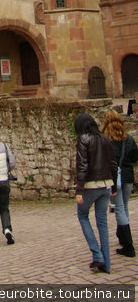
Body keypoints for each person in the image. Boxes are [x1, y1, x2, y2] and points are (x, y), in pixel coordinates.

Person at [74, 112, 117, 274]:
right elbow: (113, 163)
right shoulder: (104, 138)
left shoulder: (83, 139)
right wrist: (114, 187)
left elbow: (82, 166)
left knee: (83, 216)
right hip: (106, 185)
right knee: (102, 224)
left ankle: (97, 254)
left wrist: (79, 190)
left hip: (90, 186)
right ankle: (107, 262)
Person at [101, 109, 138, 258]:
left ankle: (128, 245)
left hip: (115, 179)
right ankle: (122, 235)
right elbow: (135, 157)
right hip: (128, 177)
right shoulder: (128, 138)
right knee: (124, 207)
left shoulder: (105, 140)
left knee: (119, 209)